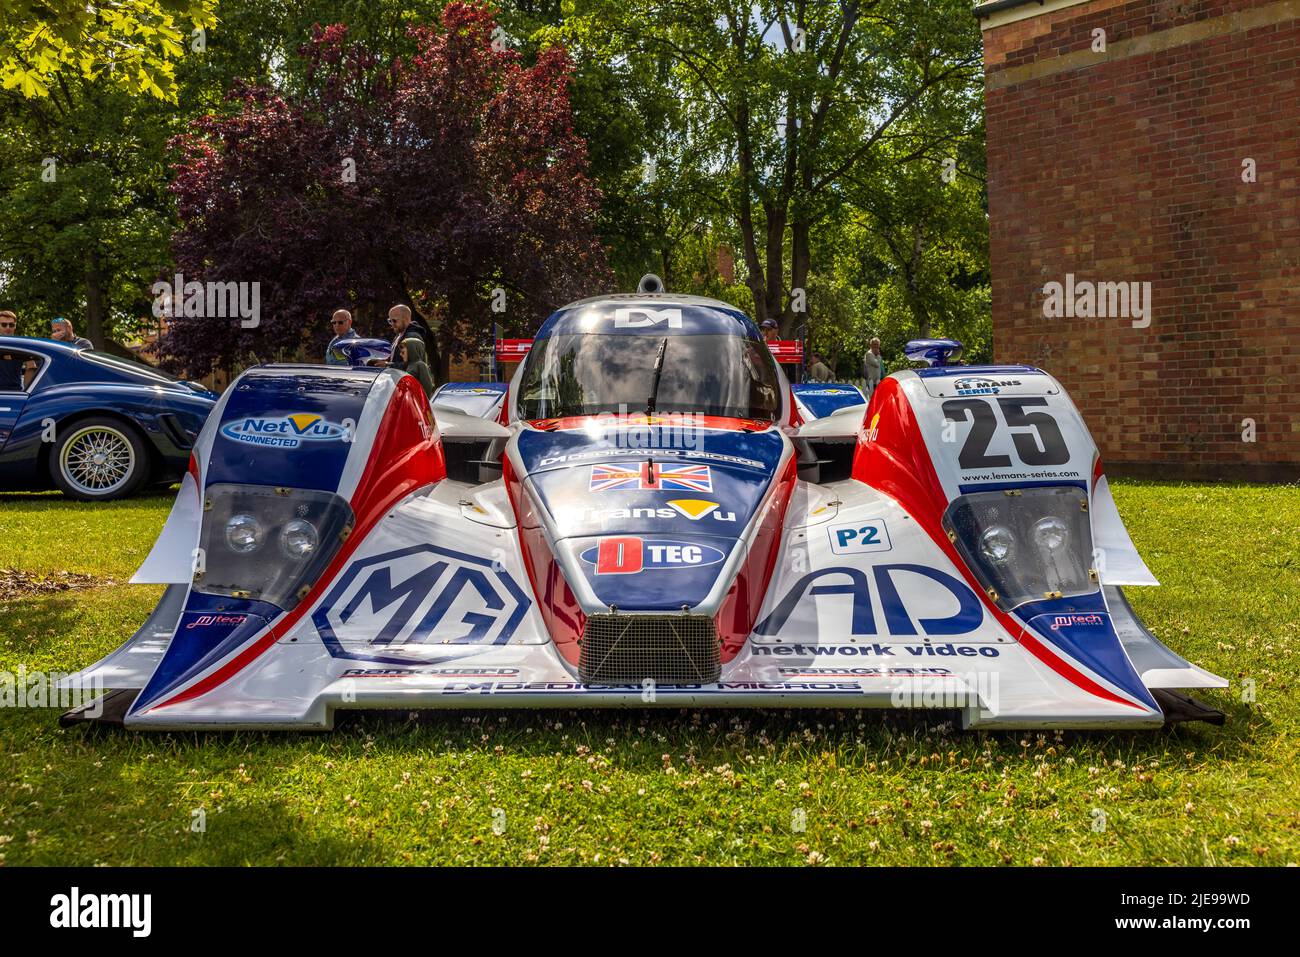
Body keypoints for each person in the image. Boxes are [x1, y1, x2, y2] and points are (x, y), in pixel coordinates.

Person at [385, 304, 434, 371]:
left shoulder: (413, 336)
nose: (392, 324)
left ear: (406, 319)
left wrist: (387, 365)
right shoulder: (399, 335)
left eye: (394, 320)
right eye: (390, 321)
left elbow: (413, 366)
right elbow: (397, 359)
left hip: (408, 380)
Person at [0, 310, 24, 391]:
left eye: (11, 325)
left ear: (15, 326)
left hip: (15, 393)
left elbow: (31, 367)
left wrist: (27, 393)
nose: (8, 328)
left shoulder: (21, 345)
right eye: (4, 325)